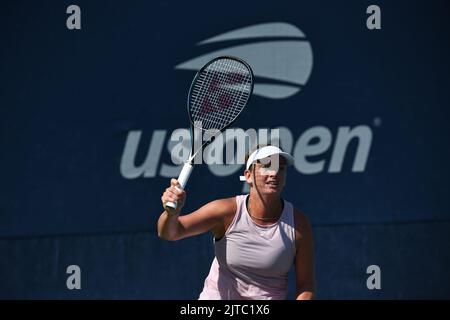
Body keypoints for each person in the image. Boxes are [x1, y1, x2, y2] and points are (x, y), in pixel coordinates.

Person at [157, 145, 315, 300]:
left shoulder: (299, 224)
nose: (274, 173)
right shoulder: (225, 211)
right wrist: (172, 213)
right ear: (248, 176)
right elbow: (170, 233)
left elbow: (305, 285)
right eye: (266, 166)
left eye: (280, 168)